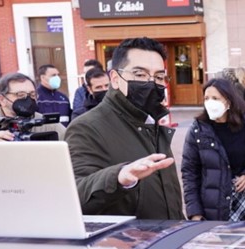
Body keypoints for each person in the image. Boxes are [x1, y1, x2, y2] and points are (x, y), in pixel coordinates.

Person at [64, 37, 183, 220]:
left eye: (159, 77)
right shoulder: (86, 127)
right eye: (139, 74)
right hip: (128, 244)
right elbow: (76, 195)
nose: (151, 83)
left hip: (166, 239)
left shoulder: (151, 121)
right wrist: (119, 177)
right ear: (115, 78)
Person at [181, 78, 245, 221]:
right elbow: (189, 172)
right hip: (213, 206)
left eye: (215, 98)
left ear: (228, 101)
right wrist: (194, 212)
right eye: (206, 98)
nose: (210, 102)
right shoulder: (198, 129)